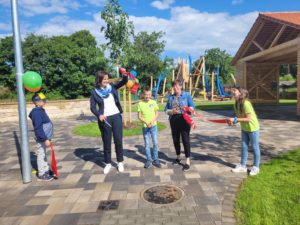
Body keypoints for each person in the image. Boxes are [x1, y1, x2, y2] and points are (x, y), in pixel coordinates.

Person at [90, 70, 128, 174]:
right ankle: (108, 163)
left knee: (118, 141)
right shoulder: (94, 92)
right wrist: (99, 115)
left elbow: (123, 82)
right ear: (99, 80)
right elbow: (92, 107)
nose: (107, 80)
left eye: (107, 78)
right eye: (105, 79)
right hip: (105, 119)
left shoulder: (112, 87)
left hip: (116, 116)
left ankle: (120, 162)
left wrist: (124, 76)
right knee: (106, 142)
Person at [228, 87, 261, 176]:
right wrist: (233, 122)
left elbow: (248, 119)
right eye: (232, 91)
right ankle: (243, 166)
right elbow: (239, 117)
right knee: (244, 147)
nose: (232, 92)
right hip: (244, 128)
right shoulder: (236, 103)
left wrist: (235, 120)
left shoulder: (246, 103)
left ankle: (256, 167)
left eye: (234, 90)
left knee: (255, 147)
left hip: (253, 128)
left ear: (240, 93)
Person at [165, 79, 195, 171]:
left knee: (185, 139)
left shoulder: (187, 95)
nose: (175, 87)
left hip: (184, 119)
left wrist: (187, 109)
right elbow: (166, 110)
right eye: (174, 86)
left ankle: (187, 161)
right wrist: (171, 111)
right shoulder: (171, 97)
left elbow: (193, 107)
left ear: (181, 86)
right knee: (175, 139)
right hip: (174, 120)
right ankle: (178, 157)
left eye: (177, 85)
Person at [29, 92, 54, 181]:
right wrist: (45, 139)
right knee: (41, 154)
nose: (44, 101)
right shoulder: (36, 113)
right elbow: (38, 127)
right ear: (36, 102)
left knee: (43, 154)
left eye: (44, 100)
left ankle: (46, 170)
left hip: (45, 137)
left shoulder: (40, 110)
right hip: (42, 138)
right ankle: (42, 174)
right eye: (42, 100)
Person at [138, 87, 160, 169]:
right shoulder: (140, 103)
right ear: (143, 95)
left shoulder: (153, 102)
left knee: (155, 143)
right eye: (146, 94)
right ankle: (148, 159)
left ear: (151, 95)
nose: (147, 96)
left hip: (153, 126)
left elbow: (157, 113)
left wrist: (152, 121)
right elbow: (139, 116)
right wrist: (146, 122)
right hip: (145, 127)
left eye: (149, 94)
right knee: (147, 144)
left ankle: (156, 159)